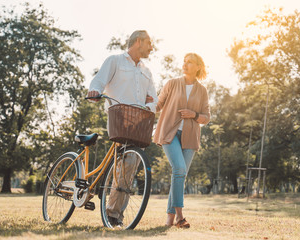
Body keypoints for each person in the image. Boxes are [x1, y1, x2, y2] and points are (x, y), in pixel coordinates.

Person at [87, 30, 157, 226]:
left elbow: (154, 98)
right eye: (149, 43)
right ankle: (113, 214)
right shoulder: (115, 61)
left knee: (130, 165)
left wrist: (149, 105)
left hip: (139, 123)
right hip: (119, 119)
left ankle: (113, 212)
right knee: (127, 164)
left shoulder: (147, 71)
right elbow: (99, 80)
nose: (151, 47)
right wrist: (95, 91)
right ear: (138, 41)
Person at [153, 53, 210, 228]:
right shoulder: (172, 83)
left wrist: (194, 115)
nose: (185, 65)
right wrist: (145, 104)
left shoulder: (202, 90)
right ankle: (180, 216)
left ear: (198, 67)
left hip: (190, 137)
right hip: (170, 133)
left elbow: (206, 117)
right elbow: (158, 104)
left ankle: (169, 220)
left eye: (190, 62)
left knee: (180, 175)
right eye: (184, 62)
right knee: (178, 169)